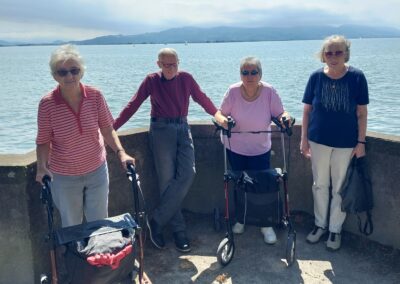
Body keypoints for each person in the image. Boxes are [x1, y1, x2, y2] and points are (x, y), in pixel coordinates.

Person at [113, 48, 219, 253]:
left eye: (175, 64)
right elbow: (133, 104)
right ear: (159, 64)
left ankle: (156, 220)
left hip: (182, 126)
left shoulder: (186, 78)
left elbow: (201, 98)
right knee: (167, 181)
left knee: (189, 173)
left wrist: (218, 115)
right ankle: (179, 230)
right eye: (167, 64)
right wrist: (112, 129)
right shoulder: (151, 81)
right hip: (161, 130)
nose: (171, 68)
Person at [36, 44, 135, 228]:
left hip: (97, 170)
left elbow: (107, 128)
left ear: (81, 72)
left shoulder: (95, 95)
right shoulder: (47, 104)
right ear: (54, 75)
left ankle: (97, 257)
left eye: (74, 70)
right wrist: (42, 167)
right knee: (72, 226)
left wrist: (121, 152)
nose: (69, 76)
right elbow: (43, 141)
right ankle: (76, 257)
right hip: (64, 175)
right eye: (62, 72)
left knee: (99, 225)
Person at [301, 35, 369, 251]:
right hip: (318, 140)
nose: (333, 56)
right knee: (319, 184)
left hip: (346, 143)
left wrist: (361, 142)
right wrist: (304, 139)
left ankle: (335, 230)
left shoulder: (357, 77)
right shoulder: (315, 78)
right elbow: (307, 111)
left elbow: (362, 113)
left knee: (339, 188)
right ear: (323, 55)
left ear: (346, 53)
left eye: (338, 52)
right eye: (329, 52)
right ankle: (320, 225)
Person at [214, 56, 292, 244]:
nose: (249, 76)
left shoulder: (269, 91)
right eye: (245, 72)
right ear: (240, 74)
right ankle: (241, 219)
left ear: (260, 74)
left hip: (260, 148)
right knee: (239, 183)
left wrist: (286, 118)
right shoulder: (232, 91)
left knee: (262, 186)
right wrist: (224, 121)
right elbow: (219, 113)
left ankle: (266, 225)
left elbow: (281, 112)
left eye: (253, 72)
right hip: (235, 147)